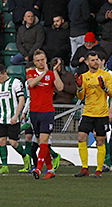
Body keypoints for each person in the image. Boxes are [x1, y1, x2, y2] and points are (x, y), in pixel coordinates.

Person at [74, 51, 112, 178]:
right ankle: (84, 168)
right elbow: (81, 96)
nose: (95, 62)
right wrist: (80, 87)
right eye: (92, 60)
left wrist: (104, 88)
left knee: (100, 141)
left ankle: (98, 169)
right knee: (81, 137)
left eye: (97, 59)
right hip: (88, 112)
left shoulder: (106, 75)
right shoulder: (84, 76)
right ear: (87, 62)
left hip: (101, 113)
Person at [27, 49, 64, 179]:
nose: (41, 62)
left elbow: (60, 87)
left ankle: (38, 168)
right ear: (34, 62)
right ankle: (50, 169)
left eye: (42, 59)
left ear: (46, 59)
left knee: (44, 140)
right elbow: (31, 84)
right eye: (38, 60)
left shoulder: (51, 74)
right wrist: (44, 73)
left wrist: (53, 71)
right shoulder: (31, 73)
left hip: (47, 112)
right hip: (34, 112)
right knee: (42, 142)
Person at [0, 64, 31, 174]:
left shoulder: (15, 83)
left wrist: (16, 115)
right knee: (1, 141)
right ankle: (4, 165)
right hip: (1, 119)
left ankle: (25, 156)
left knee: (13, 142)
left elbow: (22, 99)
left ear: (4, 73)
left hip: (13, 118)